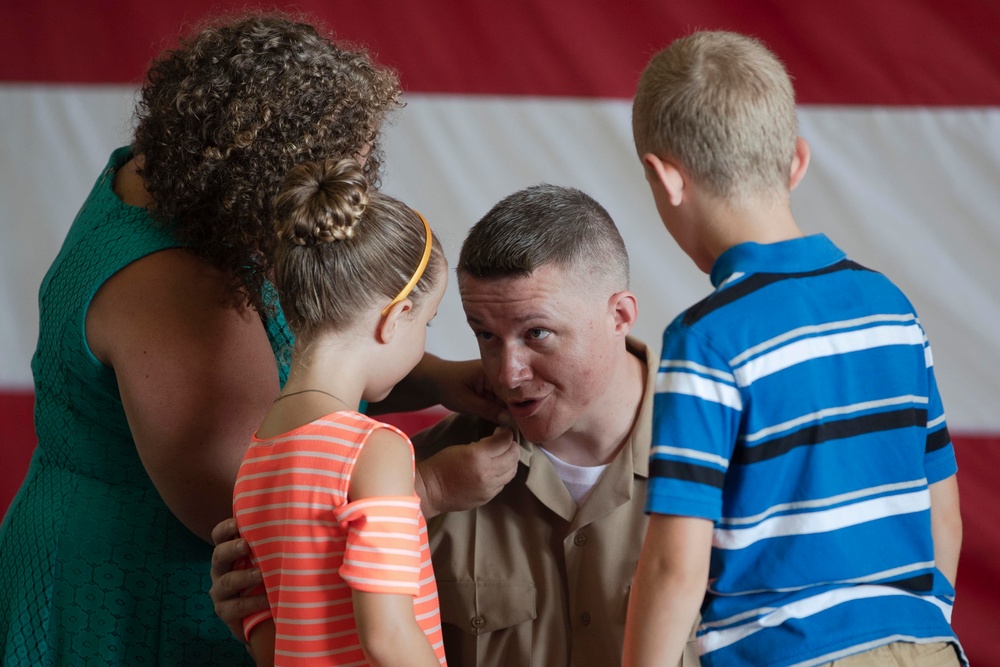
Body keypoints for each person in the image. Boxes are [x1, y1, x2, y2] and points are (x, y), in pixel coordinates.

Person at [0, 12, 509, 665]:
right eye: (332, 176)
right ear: (255, 175)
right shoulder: (169, 291)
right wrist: (431, 488)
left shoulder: (182, 188)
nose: (347, 196)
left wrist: (436, 376)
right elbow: (287, 519)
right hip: (130, 605)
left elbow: (318, 355)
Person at [214, 183, 700, 667]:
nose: (508, 373)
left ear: (620, 315)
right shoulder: (399, 477)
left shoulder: (741, 461)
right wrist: (270, 601)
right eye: (485, 335)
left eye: (538, 334)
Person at [622, 31, 965, 667]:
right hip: (927, 644)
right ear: (797, 162)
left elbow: (675, 564)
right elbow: (941, 513)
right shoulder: (890, 307)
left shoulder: (706, 341)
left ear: (664, 178)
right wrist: (922, 622)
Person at [234, 158, 448, 666]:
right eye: (429, 324)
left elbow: (271, 643)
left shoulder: (255, 460)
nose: (422, 344)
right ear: (394, 319)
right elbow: (389, 638)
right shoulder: (374, 451)